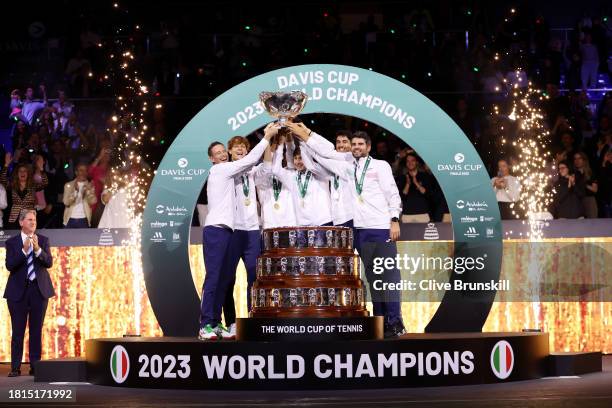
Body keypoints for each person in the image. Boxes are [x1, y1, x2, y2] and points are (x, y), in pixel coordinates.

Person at [286, 123, 406, 338]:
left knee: (389, 277)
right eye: (354, 144)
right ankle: (381, 322)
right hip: (360, 230)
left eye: (361, 144)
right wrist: (305, 139)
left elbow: (392, 194)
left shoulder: (381, 166)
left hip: (380, 228)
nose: (356, 147)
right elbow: (323, 157)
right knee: (373, 278)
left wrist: (394, 219)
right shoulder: (348, 168)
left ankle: (396, 321)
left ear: (368, 147)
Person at [199, 123, 276, 341]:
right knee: (218, 279)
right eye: (220, 152)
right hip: (221, 229)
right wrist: (267, 136)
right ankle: (208, 323)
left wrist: (267, 144)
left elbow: (262, 168)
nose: (223, 154)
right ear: (213, 159)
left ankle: (215, 324)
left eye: (223, 151)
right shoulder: (222, 169)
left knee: (226, 277)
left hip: (236, 229)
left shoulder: (242, 170)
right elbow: (251, 160)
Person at [219, 136, 270, 338]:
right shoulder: (226, 170)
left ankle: (253, 320)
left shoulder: (253, 170)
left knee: (254, 279)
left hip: (252, 230)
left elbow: (266, 166)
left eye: (244, 147)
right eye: (236, 147)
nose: (240, 149)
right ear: (230, 151)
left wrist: (269, 142)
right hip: (233, 230)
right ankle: (230, 322)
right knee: (228, 279)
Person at [4, 209, 55, 377]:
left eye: (34, 220)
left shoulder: (44, 240)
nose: (33, 222)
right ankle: (15, 367)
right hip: (17, 293)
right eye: (30, 220)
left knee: (36, 331)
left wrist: (38, 249)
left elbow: (48, 263)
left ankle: (35, 366)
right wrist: (24, 250)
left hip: (39, 292)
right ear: (21, 222)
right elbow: (10, 265)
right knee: (17, 332)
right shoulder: (12, 243)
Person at [271, 136, 333, 226]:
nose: (297, 162)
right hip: (302, 225)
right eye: (295, 158)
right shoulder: (292, 177)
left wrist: (301, 137)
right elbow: (276, 170)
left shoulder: (319, 173)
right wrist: (280, 144)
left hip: (322, 222)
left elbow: (312, 164)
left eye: (301, 158)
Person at [0, 153, 48, 230]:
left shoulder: (33, 186)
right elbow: (2, 180)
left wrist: (41, 169)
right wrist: (6, 165)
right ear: (17, 174)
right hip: (15, 217)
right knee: (14, 238)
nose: (22, 173)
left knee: (28, 238)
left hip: (29, 215)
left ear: (28, 174)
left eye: (24, 171)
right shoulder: (13, 185)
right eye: (20, 171)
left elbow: (45, 183)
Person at [398, 153, 431, 223]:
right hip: (407, 215)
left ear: (416, 162)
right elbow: (402, 196)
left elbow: (427, 193)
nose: (410, 163)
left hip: (423, 214)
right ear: (406, 164)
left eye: (412, 160)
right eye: (408, 161)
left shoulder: (425, 176)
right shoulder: (402, 178)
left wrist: (416, 183)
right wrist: (407, 184)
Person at [63, 163, 97, 228]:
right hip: (69, 219)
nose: (83, 173)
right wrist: (75, 192)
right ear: (76, 172)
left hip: (83, 219)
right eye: (81, 170)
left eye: (85, 170)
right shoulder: (69, 185)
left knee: (84, 238)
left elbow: (93, 202)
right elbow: (66, 203)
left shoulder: (90, 186)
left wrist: (88, 191)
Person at [573, 152, 598, 218]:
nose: (577, 161)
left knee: (592, 223)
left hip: (589, 200)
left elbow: (595, 189)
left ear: (584, 160)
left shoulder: (590, 173)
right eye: (575, 159)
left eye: (579, 158)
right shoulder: (573, 173)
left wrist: (584, 184)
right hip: (577, 201)